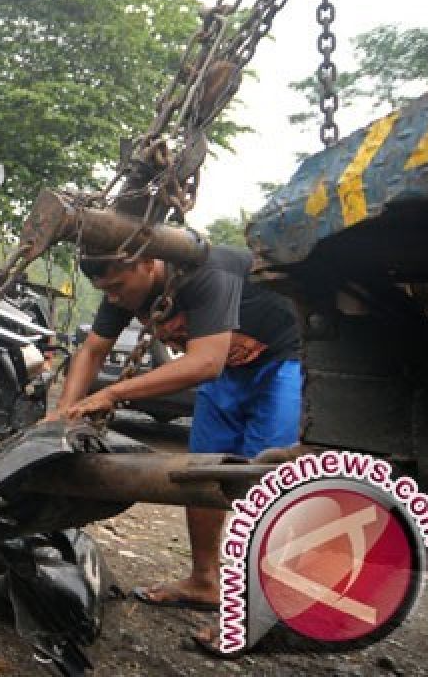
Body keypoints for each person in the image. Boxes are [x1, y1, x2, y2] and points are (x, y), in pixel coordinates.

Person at [46, 244, 302, 611]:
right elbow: (92, 350)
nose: (114, 298)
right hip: (230, 374)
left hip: (282, 364)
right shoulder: (120, 292)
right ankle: (204, 581)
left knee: (267, 480)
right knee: (200, 473)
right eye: (107, 292)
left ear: (149, 263)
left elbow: (205, 363)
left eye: (118, 286)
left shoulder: (207, 272)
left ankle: (263, 605)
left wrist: (113, 393)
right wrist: (63, 411)